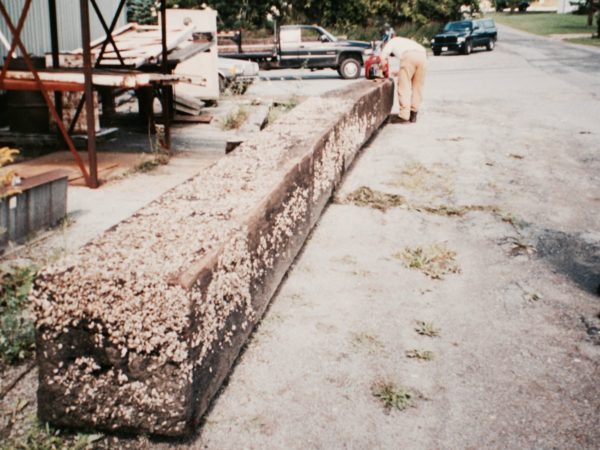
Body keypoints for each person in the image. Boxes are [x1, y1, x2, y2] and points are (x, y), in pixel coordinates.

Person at [380, 36, 427, 124]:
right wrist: (399, 72)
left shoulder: (391, 42)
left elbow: (383, 57)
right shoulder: (404, 41)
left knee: (403, 86)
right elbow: (412, 66)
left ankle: (404, 116)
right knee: (417, 87)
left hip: (408, 55)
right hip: (423, 55)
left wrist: (383, 71)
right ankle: (413, 114)